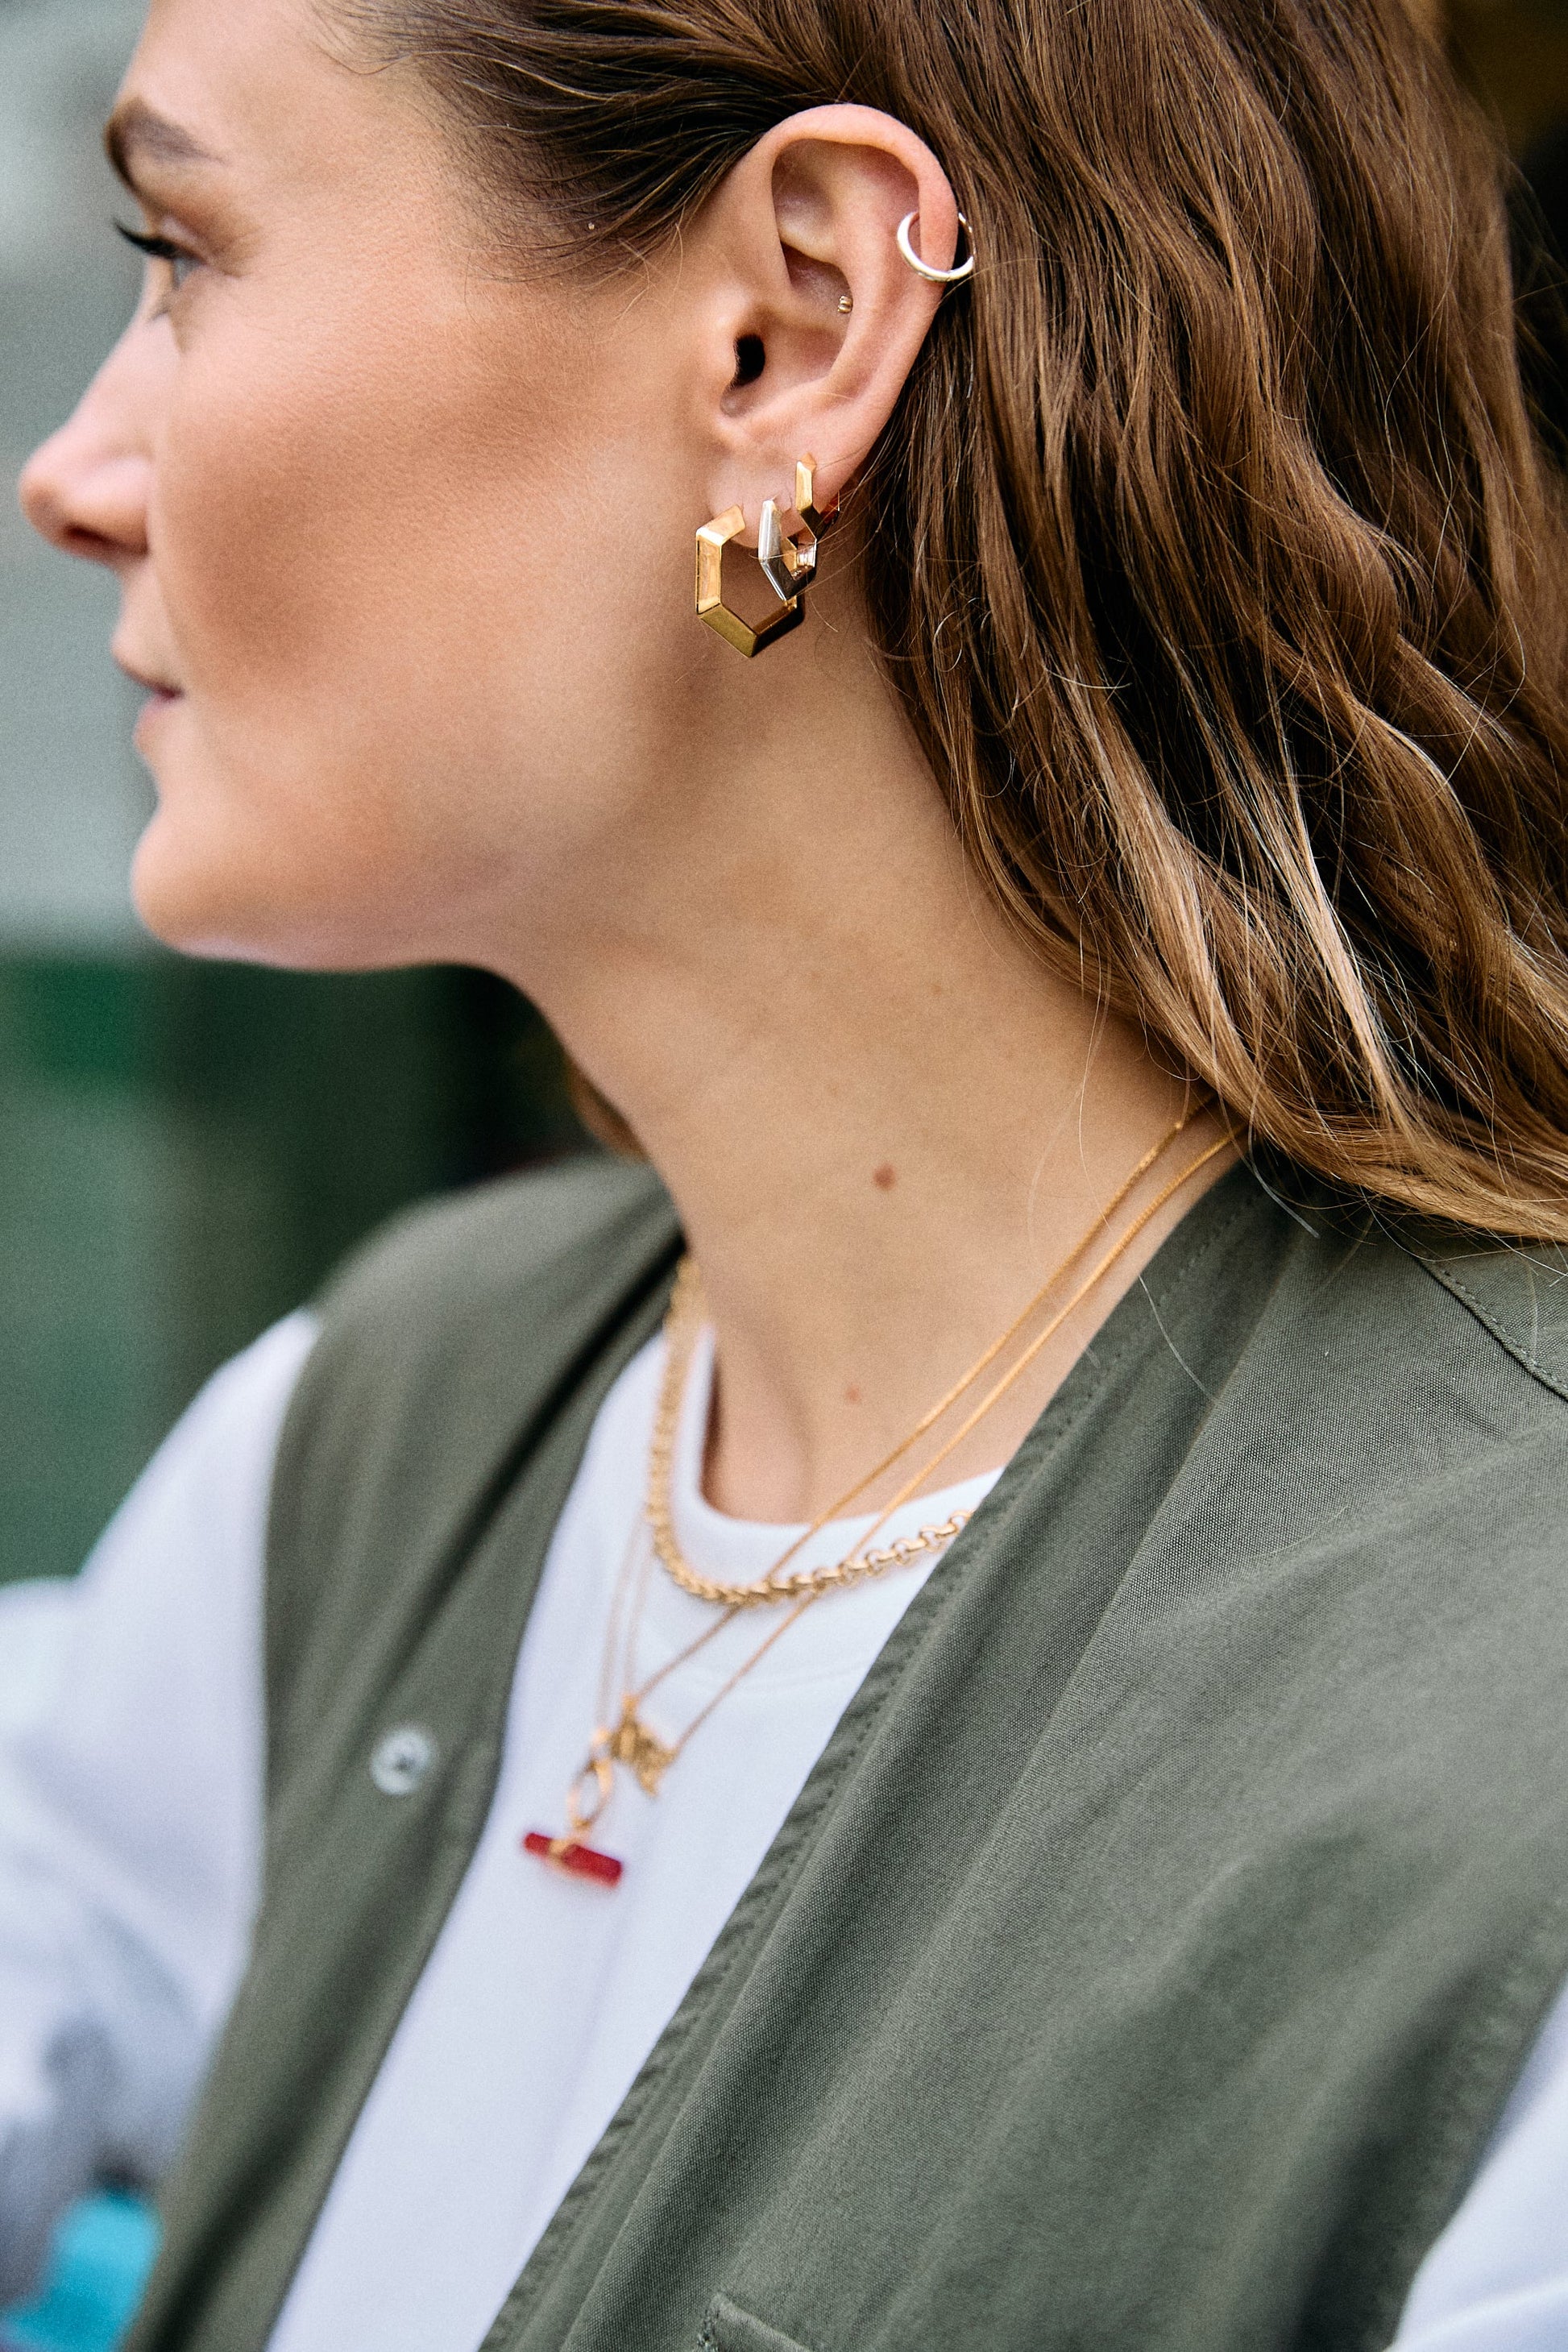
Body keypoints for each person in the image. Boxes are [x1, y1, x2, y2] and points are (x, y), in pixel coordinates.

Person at [8, 0, 1568, 2343]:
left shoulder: (1492, 1726)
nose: (75, 469)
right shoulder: (373, 1452)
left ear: (792, 324)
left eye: (187, 247)